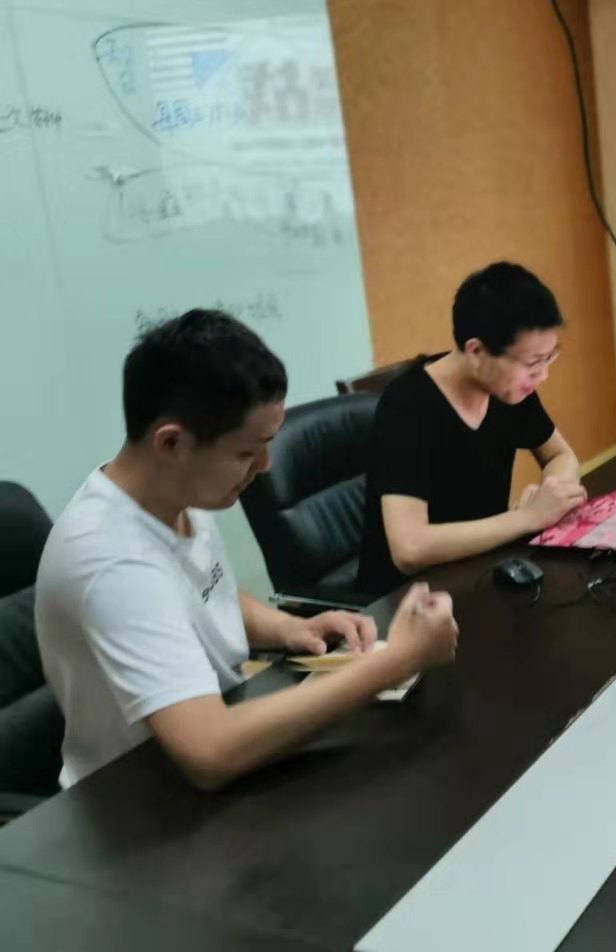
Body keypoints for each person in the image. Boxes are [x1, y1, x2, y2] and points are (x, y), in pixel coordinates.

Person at [36, 310, 459, 790]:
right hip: (138, 799)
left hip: (213, 740)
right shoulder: (110, 559)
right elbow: (210, 752)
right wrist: (396, 661)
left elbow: (200, 590)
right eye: (246, 452)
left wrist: (288, 628)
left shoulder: (168, 489)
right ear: (171, 443)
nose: (264, 466)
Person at [357, 262, 587, 598]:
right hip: (406, 601)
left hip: (480, 573)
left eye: (548, 358)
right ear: (477, 352)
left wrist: (552, 490)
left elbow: (560, 455)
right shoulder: (407, 406)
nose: (542, 375)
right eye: (532, 363)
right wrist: (528, 518)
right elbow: (409, 548)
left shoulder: (509, 391)